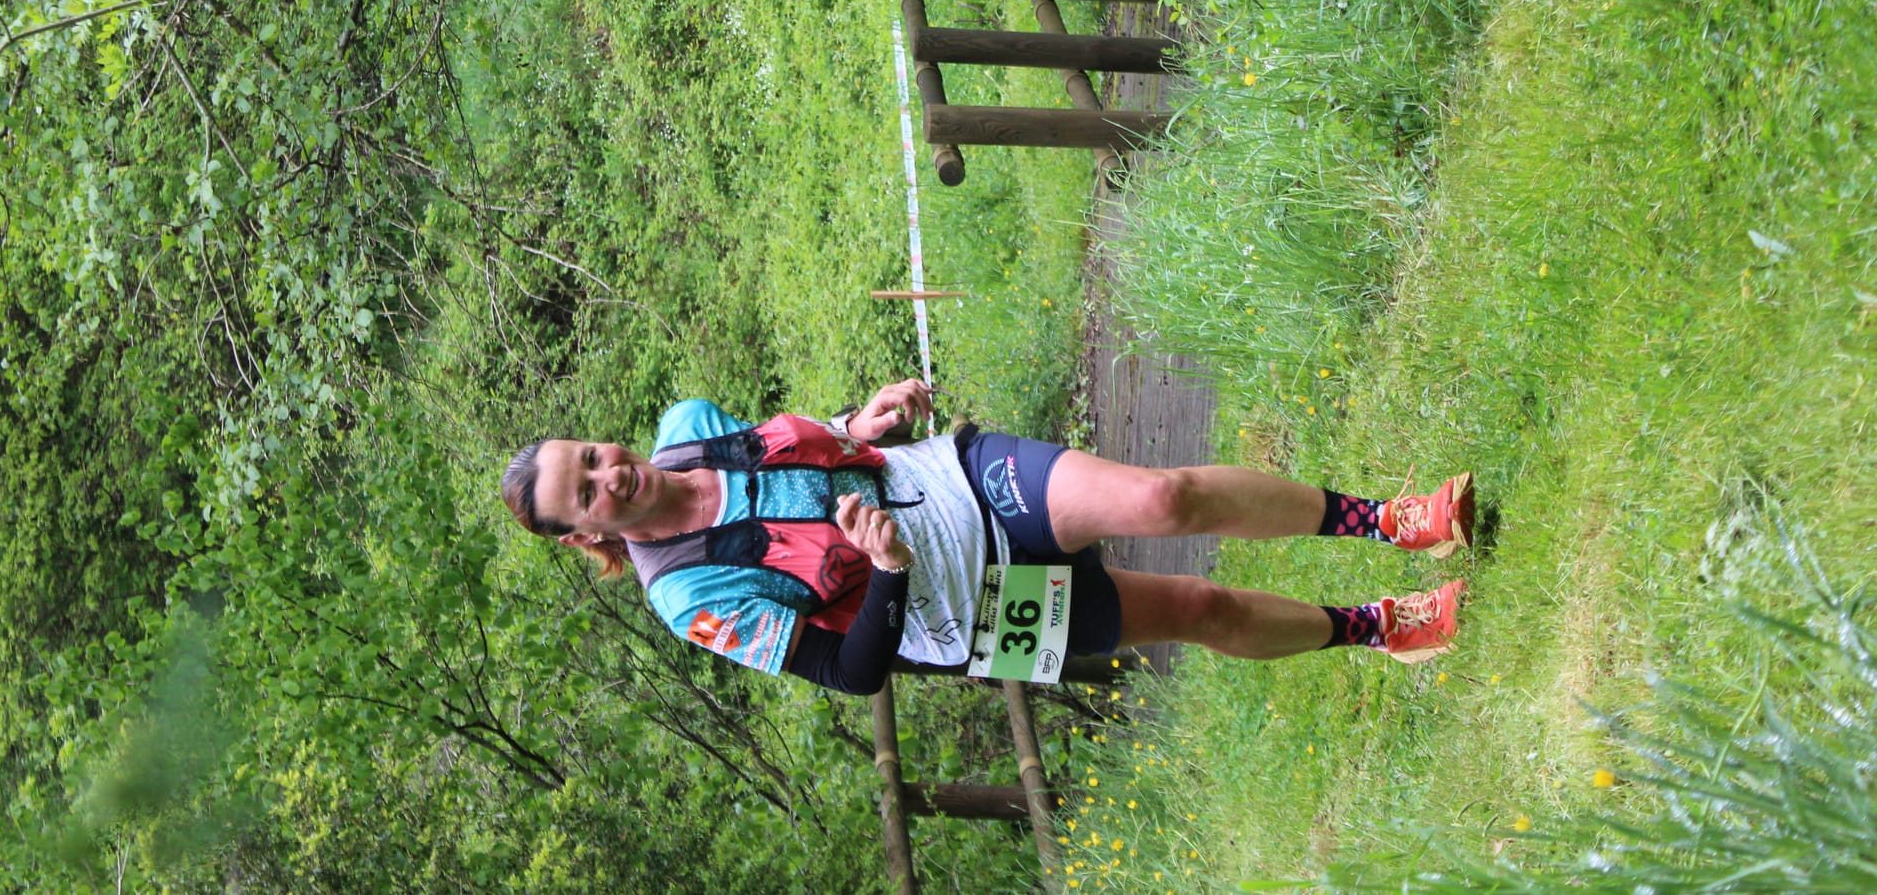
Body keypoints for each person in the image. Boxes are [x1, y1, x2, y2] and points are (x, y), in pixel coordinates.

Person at [499, 379, 1473, 695]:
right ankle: (1381, 625)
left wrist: (862, 418)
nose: (605, 473)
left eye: (589, 453)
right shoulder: (688, 600)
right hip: (965, 615)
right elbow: (851, 672)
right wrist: (884, 568)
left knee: (1163, 498)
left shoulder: (688, 423)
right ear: (579, 531)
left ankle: (1396, 522)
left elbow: (819, 452)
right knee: (1196, 606)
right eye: (582, 492)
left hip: (956, 488)